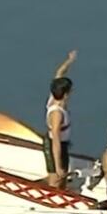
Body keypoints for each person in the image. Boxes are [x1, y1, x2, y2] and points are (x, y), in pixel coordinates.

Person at [44, 50, 76, 188]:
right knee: (57, 179)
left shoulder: (54, 96)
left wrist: (70, 60)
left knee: (63, 177)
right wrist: (57, 166)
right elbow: (56, 141)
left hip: (63, 144)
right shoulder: (57, 114)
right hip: (54, 146)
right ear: (65, 94)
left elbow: (59, 73)